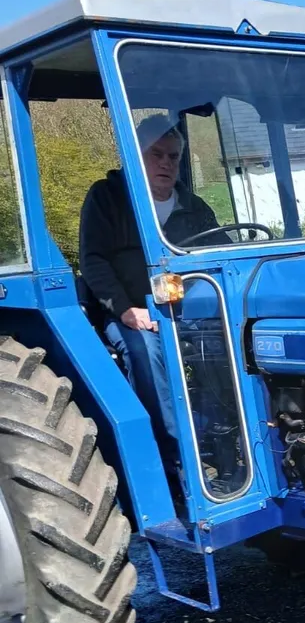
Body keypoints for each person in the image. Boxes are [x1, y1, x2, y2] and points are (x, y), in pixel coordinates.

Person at [79, 115, 220, 475]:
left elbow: (222, 256)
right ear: (134, 156)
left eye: (173, 156)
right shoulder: (107, 198)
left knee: (229, 344)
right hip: (131, 313)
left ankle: (226, 438)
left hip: (187, 313)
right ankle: (174, 455)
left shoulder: (195, 207)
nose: (165, 163)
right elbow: (93, 261)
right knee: (146, 350)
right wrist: (126, 310)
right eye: (155, 154)